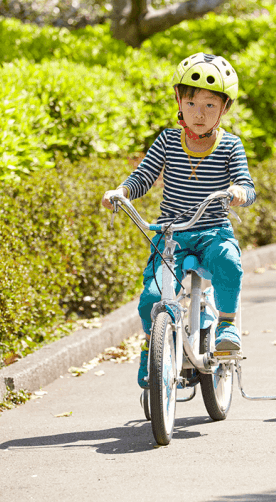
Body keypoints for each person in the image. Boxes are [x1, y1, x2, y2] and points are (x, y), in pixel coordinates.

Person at [101, 52, 257, 389]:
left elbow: (247, 184)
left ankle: (227, 325)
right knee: (151, 297)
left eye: (210, 106)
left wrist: (239, 192)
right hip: (171, 234)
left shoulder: (231, 146)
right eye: (191, 103)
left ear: (224, 109)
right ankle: (152, 347)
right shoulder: (168, 142)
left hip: (213, 230)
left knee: (229, 262)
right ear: (179, 102)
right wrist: (123, 191)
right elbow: (144, 175)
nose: (199, 114)